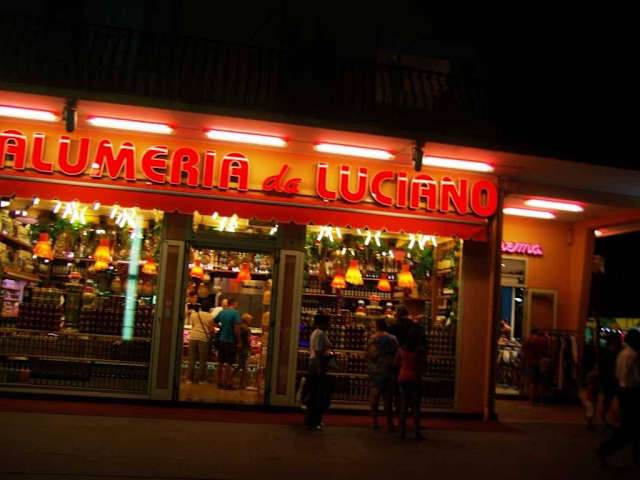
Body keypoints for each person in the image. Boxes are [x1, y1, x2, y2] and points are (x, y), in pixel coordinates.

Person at [596, 329, 640, 467]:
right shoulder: (634, 355)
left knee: (631, 428)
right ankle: (604, 449)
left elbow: (618, 375)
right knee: (630, 429)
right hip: (632, 393)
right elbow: (637, 377)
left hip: (623, 391)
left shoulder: (622, 354)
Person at [367, 317, 399, 431]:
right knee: (388, 398)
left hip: (376, 370)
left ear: (377, 326)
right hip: (389, 370)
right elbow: (397, 353)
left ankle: (374, 422)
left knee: (374, 396)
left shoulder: (373, 339)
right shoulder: (392, 338)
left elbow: (370, 354)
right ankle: (389, 423)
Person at [304, 312, 334, 430]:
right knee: (318, 394)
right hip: (318, 365)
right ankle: (315, 420)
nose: (330, 324)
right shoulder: (320, 334)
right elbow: (318, 352)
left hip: (314, 365)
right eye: (328, 322)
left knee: (314, 393)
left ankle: (311, 419)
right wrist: (319, 369)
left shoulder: (315, 333)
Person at [396, 325, 426, 440]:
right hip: (415, 378)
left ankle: (402, 431)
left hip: (403, 377)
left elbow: (396, 362)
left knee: (403, 406)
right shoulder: (420, 350)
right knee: (416, 406)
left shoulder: (402, 349)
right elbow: (423, 365)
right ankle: (416, 432)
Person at [185, 298, 216, 384]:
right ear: (209, 308)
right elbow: (211, 329)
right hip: (203, 339)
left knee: (191, 360)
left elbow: (193, 326)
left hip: (193, 337)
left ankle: (189, 378)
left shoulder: (194, 315)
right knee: (202, 361)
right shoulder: (210, 316)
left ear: (201, 307)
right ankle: (201, 379)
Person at [215, 298, 241, 389]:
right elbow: (236, 329)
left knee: (220, 363)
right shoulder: (235, 313)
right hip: (231, 341)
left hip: (222, 340)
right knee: (229, 363)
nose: (237, 305)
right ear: (234, 303)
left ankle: (219, 382)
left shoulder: (222, 312)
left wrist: (219, 328)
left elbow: (212, 322)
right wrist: (239, 341)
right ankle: (228, 383)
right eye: (237, 304)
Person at [599, 335, 622, 427]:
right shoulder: (613, 354)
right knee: (609, 399)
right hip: (610, 380)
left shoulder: (605, 353)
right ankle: (605, 417)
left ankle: (604, 417)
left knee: (608, 399)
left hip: (609, 379)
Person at [522, 329, 549, 404]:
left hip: (531, 362)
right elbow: (546, 350)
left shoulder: (528, 340)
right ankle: (541, 400)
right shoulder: (542, 340)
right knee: (541, 382)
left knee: (532, 382)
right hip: (541, 362)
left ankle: (531, 400)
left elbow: (524, 351)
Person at [237, 313, 252, 389]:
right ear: (247, 320)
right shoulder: (247, 329)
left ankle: (230, 377)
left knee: (239, 365)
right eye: (250, 320)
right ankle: (242, 383)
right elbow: (248, 340)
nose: (250, 322)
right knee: (245, 367)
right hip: (246, 348)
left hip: (240, 349)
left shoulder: (239, 327)